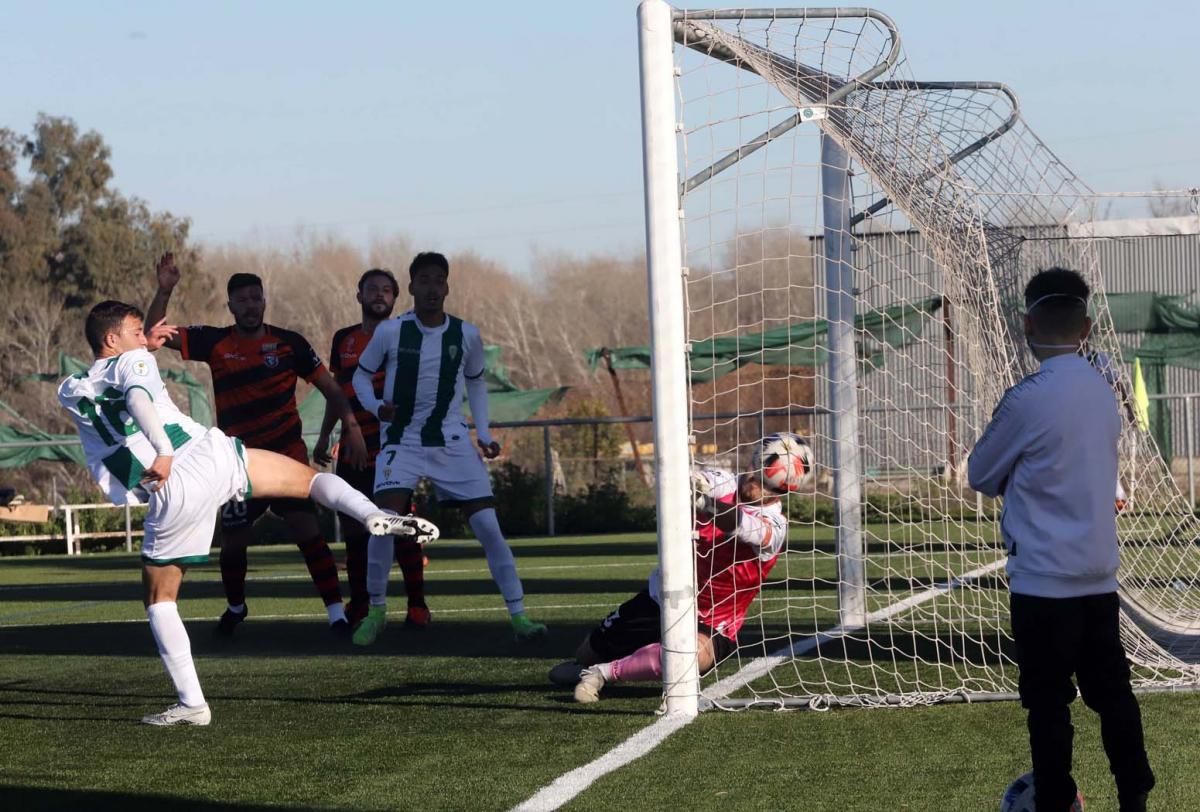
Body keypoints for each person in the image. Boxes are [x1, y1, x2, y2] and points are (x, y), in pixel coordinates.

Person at [58, 301, 436, 726]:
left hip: (175, 480)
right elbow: (138, 396)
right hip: (212, 454)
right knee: (306, 481)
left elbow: (129, 404)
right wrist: (161, 430)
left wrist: (162, 453)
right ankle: (370, 515)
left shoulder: (70, 388)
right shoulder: (136, 360)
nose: (143, 338)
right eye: (134, 331)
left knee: (159, 600)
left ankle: (192, 704)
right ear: (112, 340)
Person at [968, 267, 1154, 812]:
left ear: (1027, 323)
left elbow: (981, 474)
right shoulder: (1103, 391)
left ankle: (1053, 801)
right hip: (1098, 573)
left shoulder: (1026, 398)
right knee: (1113, 694)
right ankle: (1134, 795)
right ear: (1088, 327)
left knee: (1048, 704)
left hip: (1042, 580)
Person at [147, 253, 366, 636]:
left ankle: (336, 615)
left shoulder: (289, 344)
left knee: (308, 534)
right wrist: (164, 290)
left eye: (256, 297)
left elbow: (333, 389)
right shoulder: (214, 341)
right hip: (237, 463)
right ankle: (236, 607)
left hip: (285, 459)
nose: (250, 305)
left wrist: (350, 427)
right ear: (230, 305)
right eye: (242, 299)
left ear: (265, 300)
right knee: (233, 546)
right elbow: (153, 333)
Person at [349, 251, 547, 644]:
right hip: (401, 441)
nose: (432, 288)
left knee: (489, 528)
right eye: (424, 280)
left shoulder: (466, 334)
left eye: (438, 280)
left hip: (452, 440)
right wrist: (376, 408)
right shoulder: (390, 332)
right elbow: (360, 376)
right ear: (412, 288)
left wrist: (484, 433)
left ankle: (520, 616)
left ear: (447, 287)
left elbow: (475, 383)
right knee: (382, 523)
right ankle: (376, 611)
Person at [553, 449, 789, 704]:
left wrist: (707, 505)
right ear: (751, 465)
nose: (757, 485)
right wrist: (692, 483)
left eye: (769, 485)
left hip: (716, 617)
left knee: (690, 657)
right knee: (585, 653)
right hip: (663, 596)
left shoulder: (775, 525)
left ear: (782, 491)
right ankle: (589, 664)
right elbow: (699, 480)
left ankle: (603, 673)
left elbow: (742, 525)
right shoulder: (726, 480)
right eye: (757, 475)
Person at [314, 268, 429, 628]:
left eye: (386, 290)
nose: (379, 295)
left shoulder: (408, 336)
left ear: (395, 298)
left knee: (401, 526)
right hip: (352, 450)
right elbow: (338, 392)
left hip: (393, 449)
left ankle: (417, 605)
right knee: (355, 529)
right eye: (372, 289)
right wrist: (325, 436)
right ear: (359, 296)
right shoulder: (344, 339)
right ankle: (361, 604)